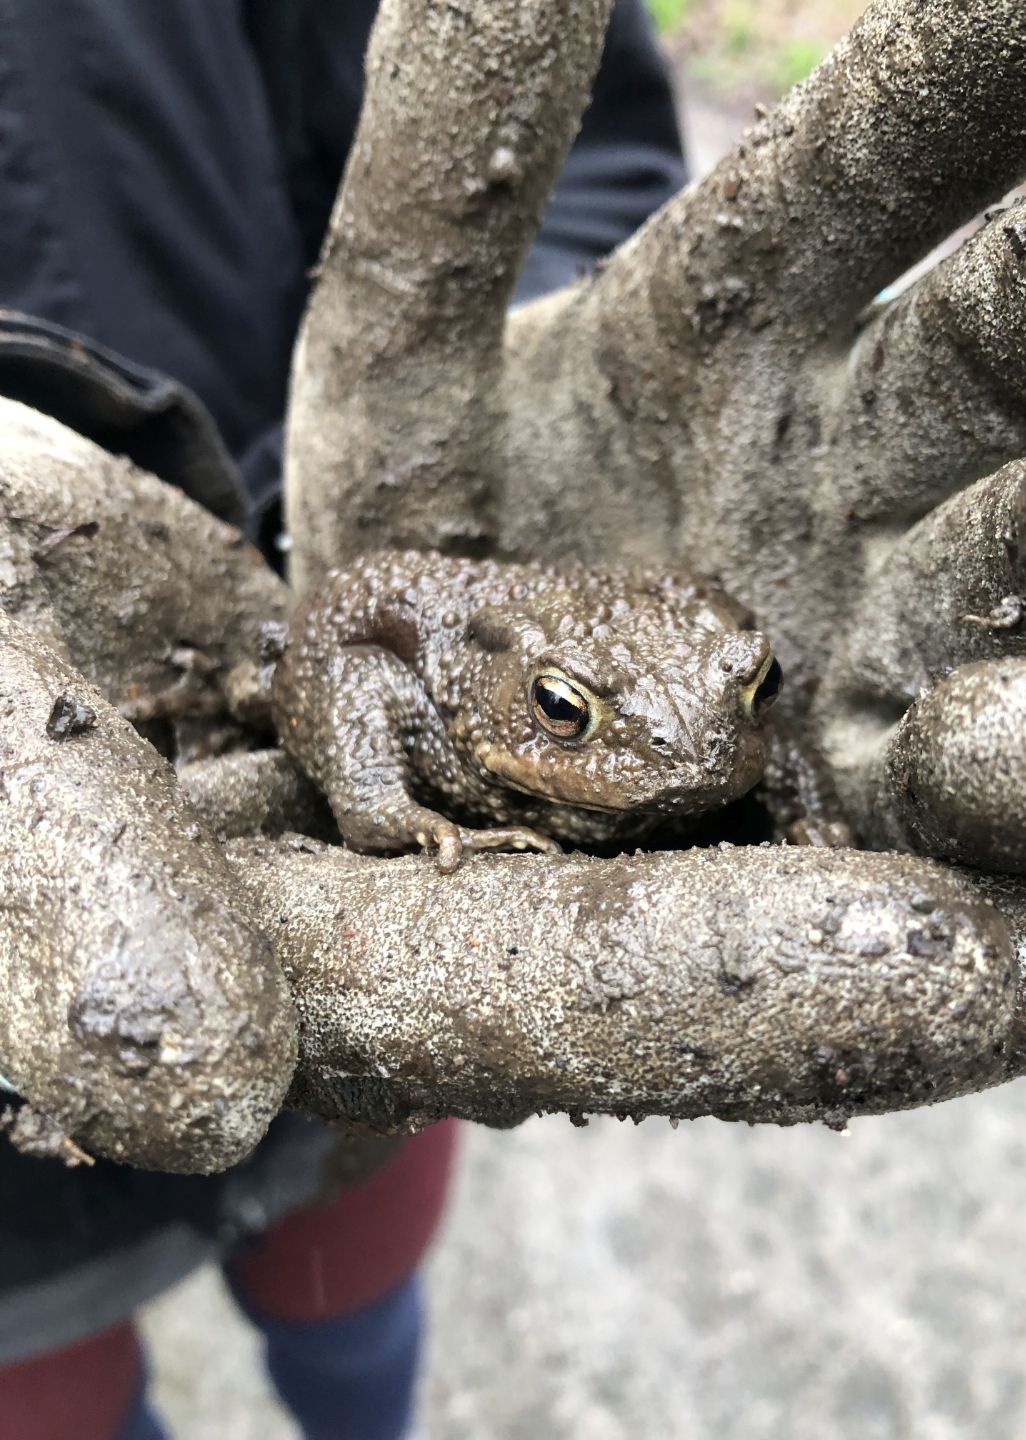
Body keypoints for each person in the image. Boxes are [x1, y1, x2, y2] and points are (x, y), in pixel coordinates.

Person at [0, 4, 687, 1438]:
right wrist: (389, 809)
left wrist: (541, 377)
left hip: (314, 537)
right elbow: (367, 673)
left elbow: (556, 143)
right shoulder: (437, 702)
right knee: (56, 1387)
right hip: (315, 664)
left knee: (354, 1277)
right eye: (567, 717)